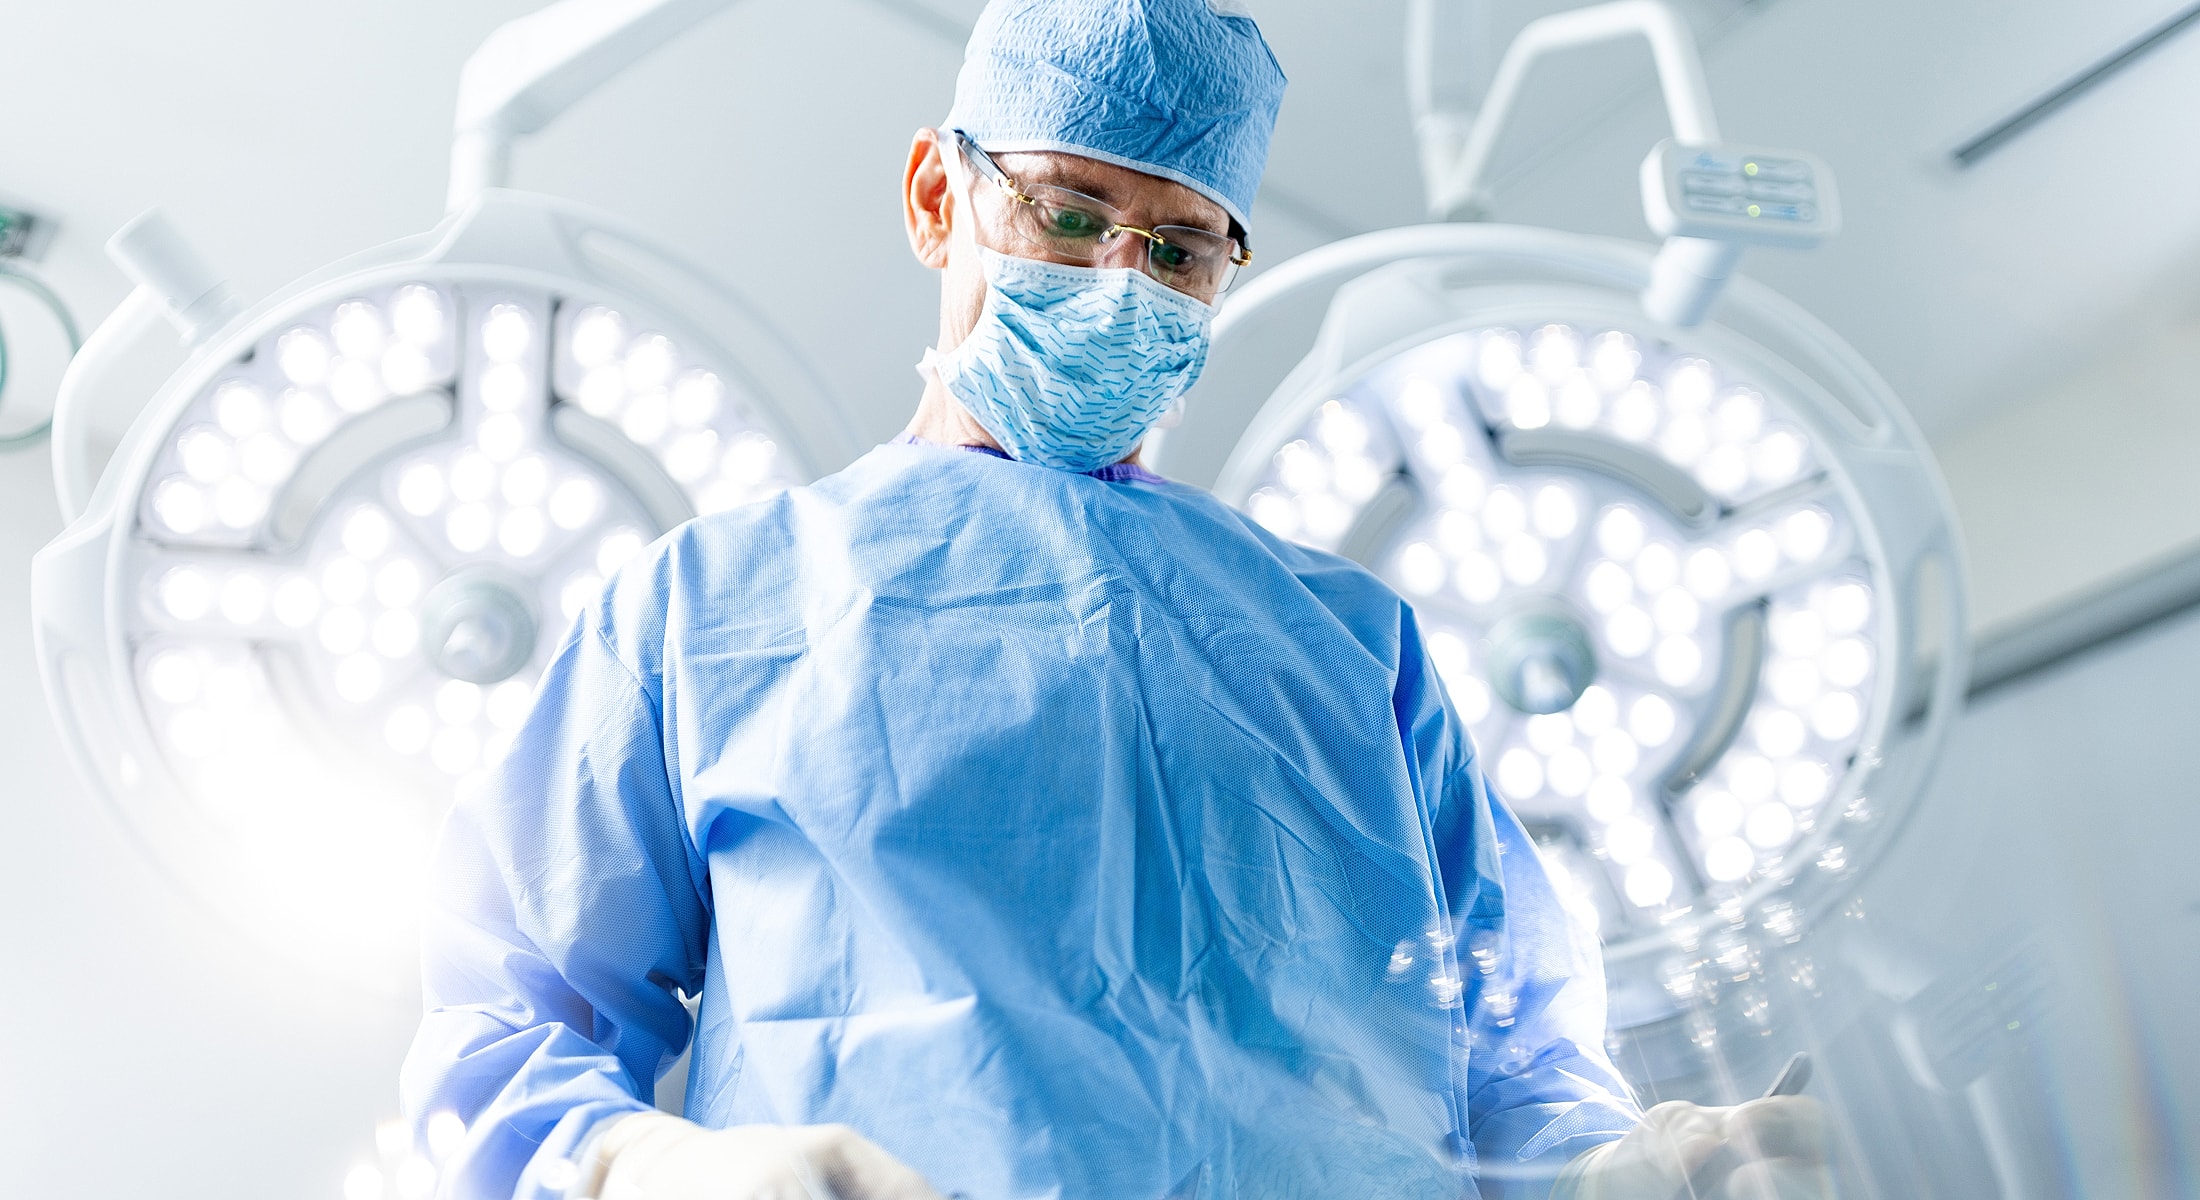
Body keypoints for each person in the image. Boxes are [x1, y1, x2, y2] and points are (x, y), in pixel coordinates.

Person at [399, 1, 1833, 1196]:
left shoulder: (1348, 646)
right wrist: (645, 1169)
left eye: (1179, 249)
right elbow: (508, 1018)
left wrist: (1633, 1167)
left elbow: (1514, 1064)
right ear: (934, 197)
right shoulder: (708, 609)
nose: (1117, 284)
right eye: (1069, 215)